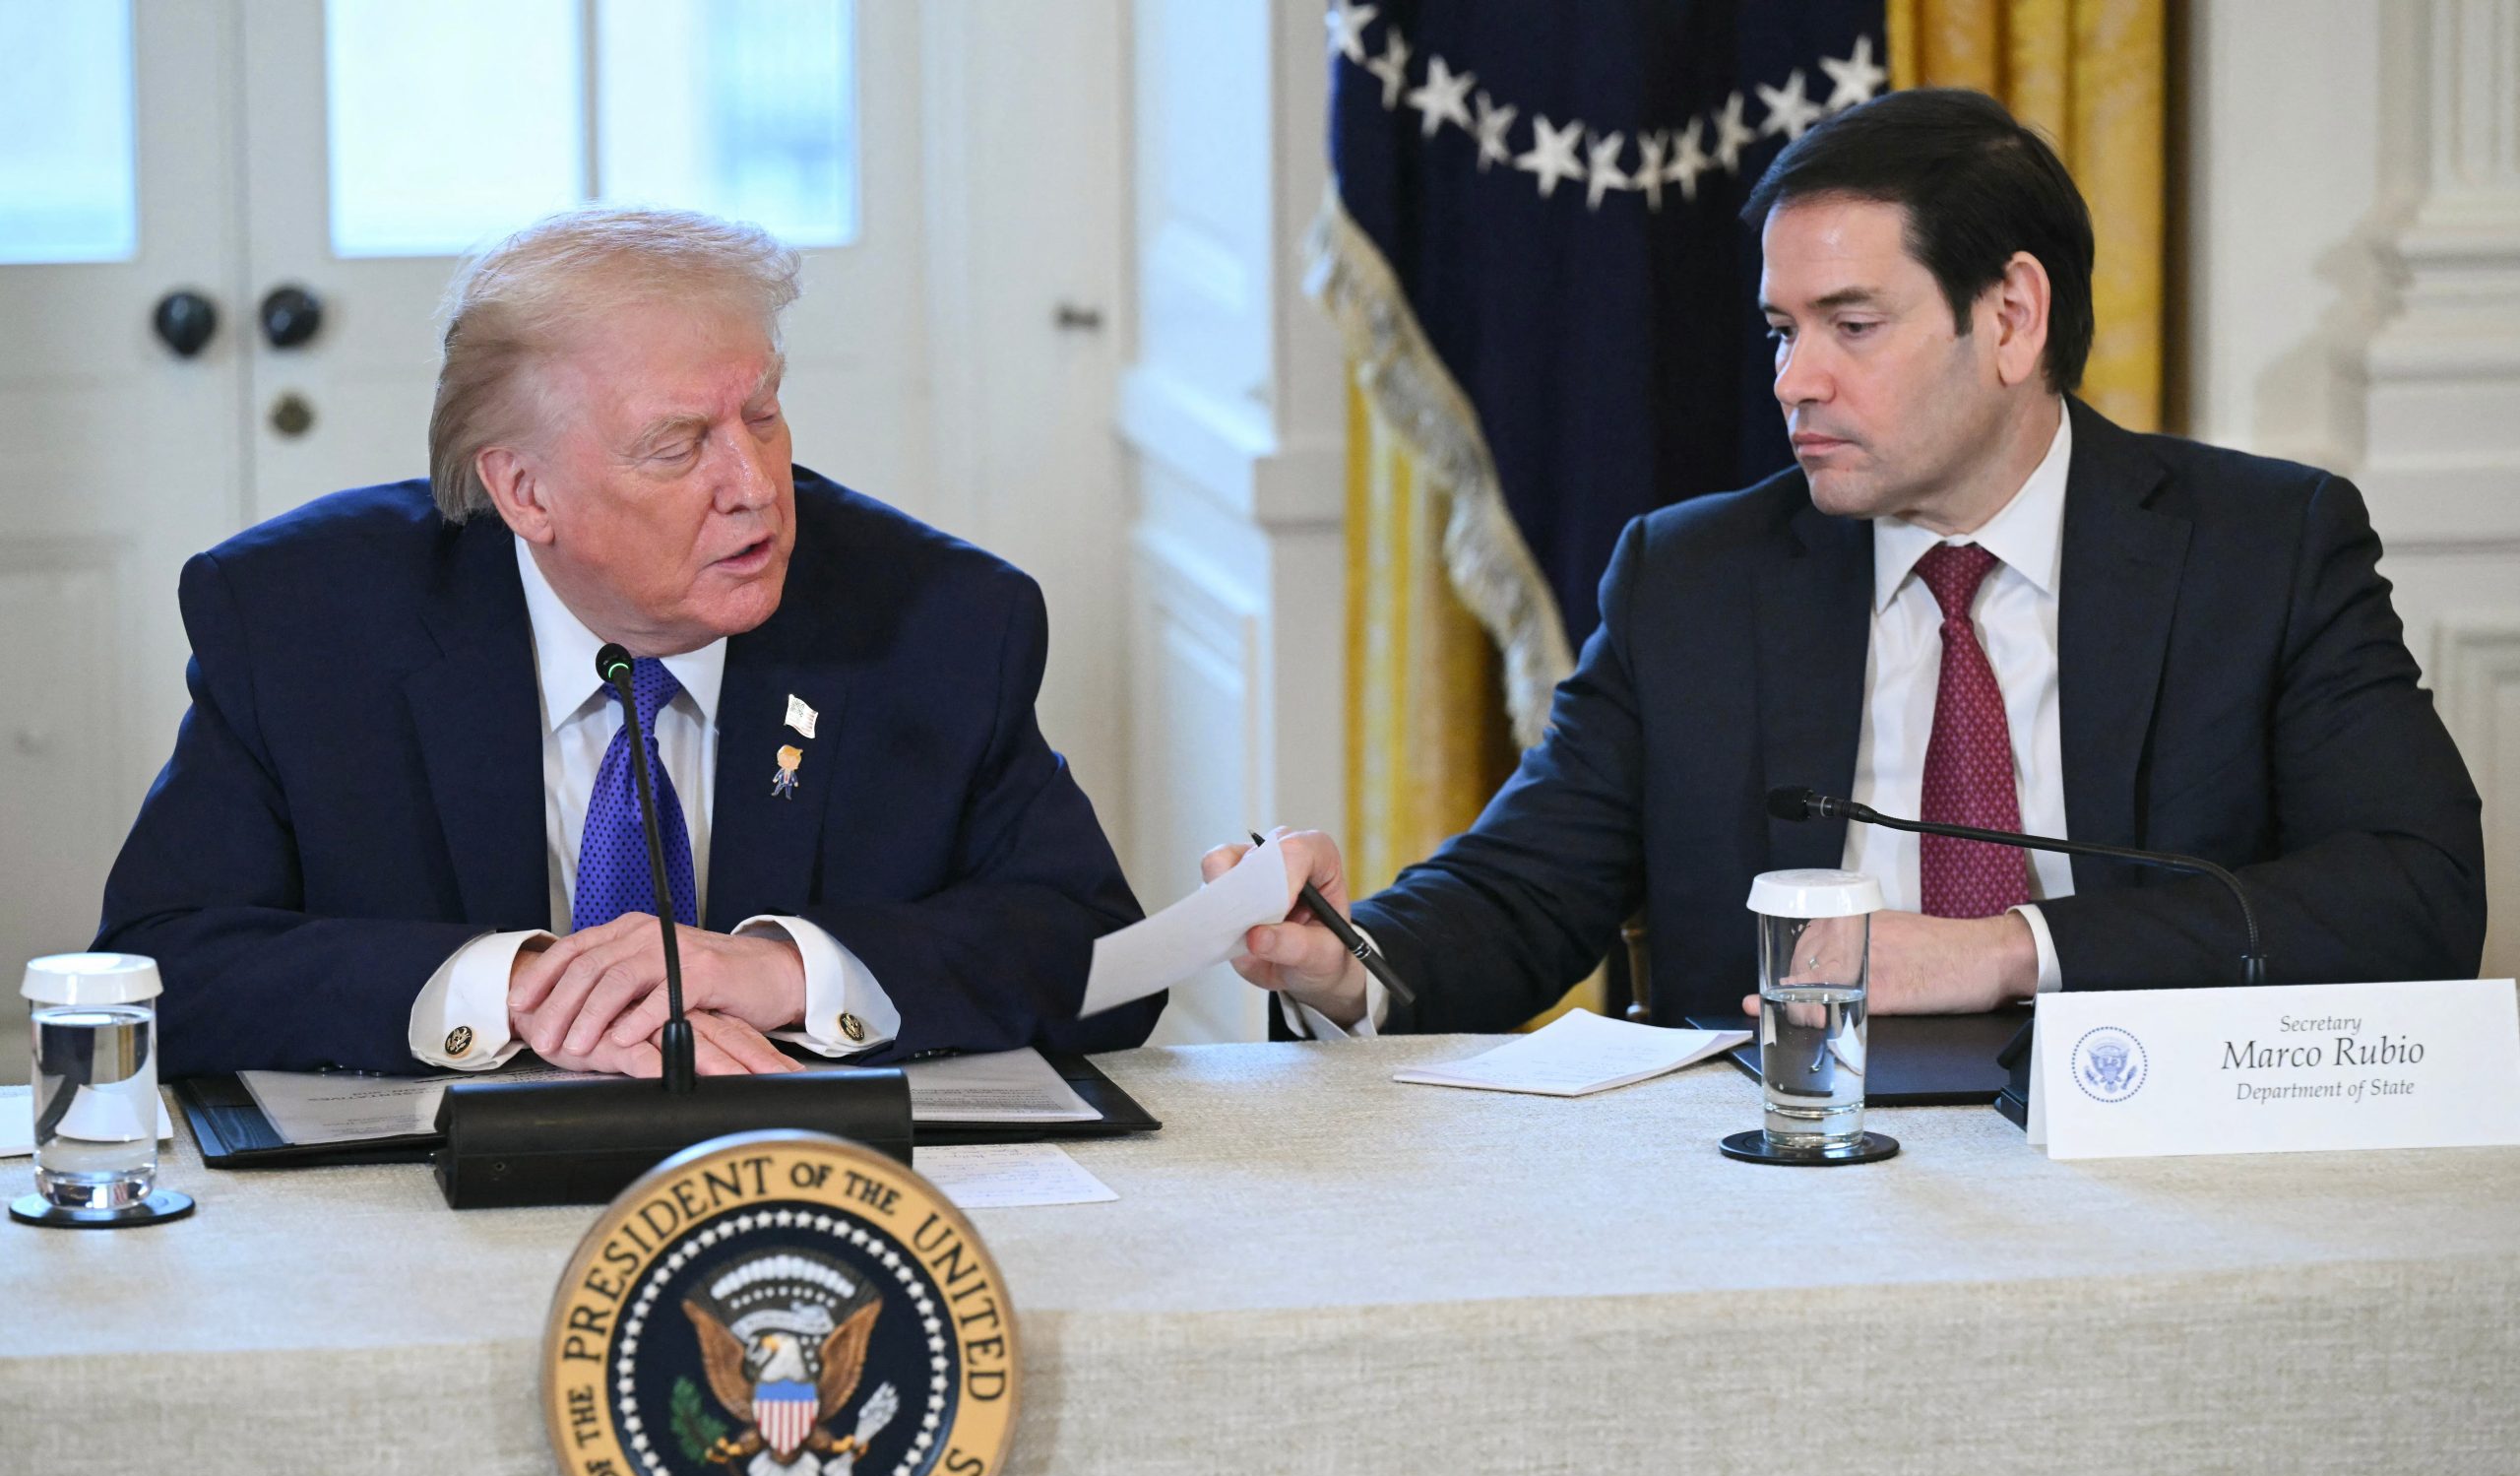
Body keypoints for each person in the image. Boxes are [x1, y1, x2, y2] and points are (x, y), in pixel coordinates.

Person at [1209, 89, 2485, 1039]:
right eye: (1781, 330)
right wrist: (1352, 959)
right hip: (1783, 1190)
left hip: (2144, 1165)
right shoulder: (1692, 580)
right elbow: (1524, 889)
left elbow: (2414, 890)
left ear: (2012, 318)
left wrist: (2011, 948)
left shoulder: (2262, 551)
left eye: (1851, 325)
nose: (1793, 380)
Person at [98, 208, 1159, 1078]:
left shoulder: (939, 619)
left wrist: (784, 973)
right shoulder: (301, 623)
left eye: (762, 416)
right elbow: (157, 969)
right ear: (524, 493)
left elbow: (1104, 959)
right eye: (677, 446)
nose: (753, 486)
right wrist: (518, 990)